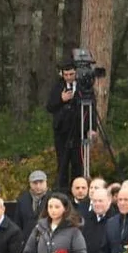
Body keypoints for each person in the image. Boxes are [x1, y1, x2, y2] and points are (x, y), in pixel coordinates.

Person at [46, 61, 94, 190]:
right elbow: (50, 106)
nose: (68, 77)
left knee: (78, 164)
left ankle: (77, 191)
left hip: (79, 130)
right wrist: (61, 99)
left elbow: (91, 107)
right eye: (65, 74)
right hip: (62, 132)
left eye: (71, 74)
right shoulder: (57, 86)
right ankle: (62, 191)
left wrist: (91, 128)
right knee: (62, 162)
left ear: (76, 73)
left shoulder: (83, 86)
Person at [16, 170, 50, 240]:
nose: (38, 186)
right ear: (30, 184)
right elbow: (18, 222)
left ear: (46, 182)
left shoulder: (53, 198)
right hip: (27, 240)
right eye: (35, 183)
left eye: (41, 182)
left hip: (47, 239)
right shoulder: (22, 200)